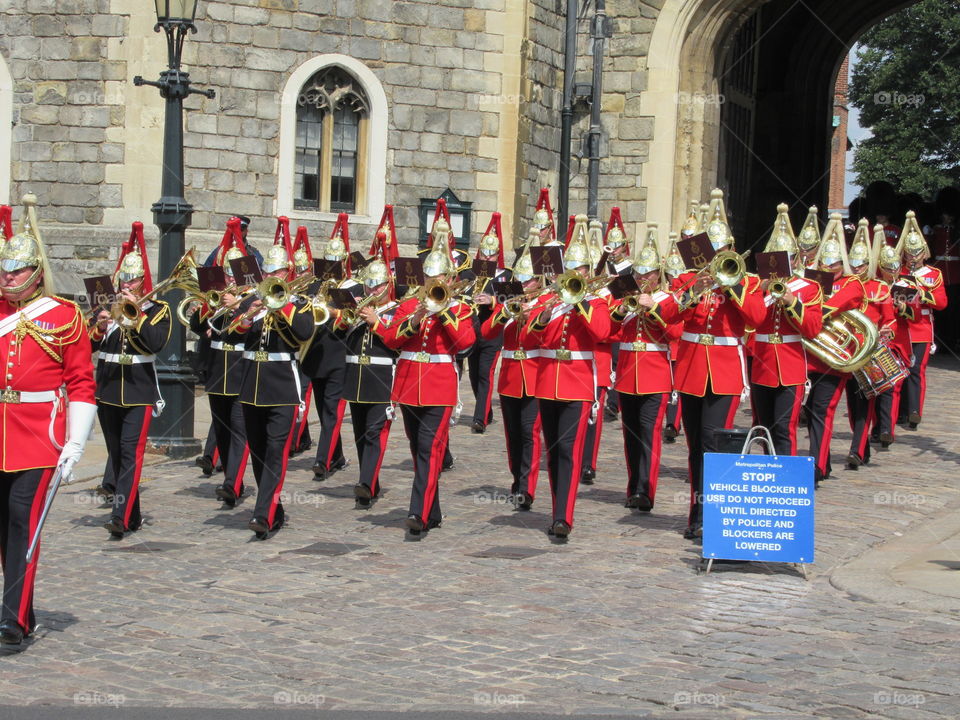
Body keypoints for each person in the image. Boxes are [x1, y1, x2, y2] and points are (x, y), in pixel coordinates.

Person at [0, 195, 97, 646]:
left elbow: (80, 384)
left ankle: (13, 622)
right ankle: (21, 607)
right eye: (4, 270)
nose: (8, 277)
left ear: (36, 273)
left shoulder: (63, 316)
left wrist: (75, 443)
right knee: (4, 529)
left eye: (16, 271)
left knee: (24, 522)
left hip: (40, 437)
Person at [650, 190, 765, 539]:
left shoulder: (747, 281)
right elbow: (665, 314)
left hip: (725, 370)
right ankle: (696, 515)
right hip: (691, 370)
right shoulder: (688, 279)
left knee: (717, 445)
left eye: (722, 253)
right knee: (696, 447)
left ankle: (717, 516)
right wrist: (694, 290)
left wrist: (732, 288)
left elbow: (756, 317)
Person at [376, 220, 475, 535]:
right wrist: (416, 318)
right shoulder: (409, 305)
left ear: (449, 279)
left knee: (430, 449)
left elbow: (464, 344)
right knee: (417, 448)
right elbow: (391, 340)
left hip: (439, 385)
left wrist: (443, 311)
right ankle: (432, 512)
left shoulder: (460, 309)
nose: (432, 282)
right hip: (408, 384)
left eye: (438, 278)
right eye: (429, 277)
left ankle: (417, 513)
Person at [523, 216, 611, 540]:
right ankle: (558, 504)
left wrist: (581, 302)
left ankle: (564, 516)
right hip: (548, 382)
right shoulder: (548, 300)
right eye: (568, 270)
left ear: (588, 273)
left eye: (580, 270)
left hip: (577, 383)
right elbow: (530, 338)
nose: (573, 276)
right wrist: (545, 315)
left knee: (570, 451)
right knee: (554, 449)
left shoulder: (596, 301)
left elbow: (602, 332)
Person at [226, 244, 315, 539]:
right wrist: (249, 315)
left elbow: (303, 332)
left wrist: (282, 305)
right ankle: (274, 510)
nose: (270, 276)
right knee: (259, 453)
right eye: (267, 271)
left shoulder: (299, 303)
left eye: (276, 271)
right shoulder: (251, 300)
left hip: (282, 387)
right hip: (251, 385)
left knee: (276, 453)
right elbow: (232, 333)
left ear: (287, 273)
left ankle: (262, 514)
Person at [90, 226, 171, 539]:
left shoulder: (157, 310)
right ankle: (132, 514)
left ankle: (120, 517)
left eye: (134, 279)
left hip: (138, 389)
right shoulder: (106, 306)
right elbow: (87, 346)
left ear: (143, 281)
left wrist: (134, 317)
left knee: (130, 453)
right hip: (108, 388)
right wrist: (99, 326)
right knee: (117, 454)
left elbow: (154, 343)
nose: (127, 284)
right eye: (124, 278)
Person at [749, 204, 822, 457]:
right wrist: (762, 291)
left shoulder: (809, 288)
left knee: (784, 427)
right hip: (762, 361)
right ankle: (769, 473)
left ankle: (785, 478)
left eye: (785, 258)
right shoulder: (757, 287)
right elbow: (748, 324)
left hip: (790, 364)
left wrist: (793, 302)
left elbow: (813, 328)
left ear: (794, 260)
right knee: (763, 427)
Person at [609, 241, 676, 512]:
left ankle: (646, 490)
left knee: (650, 434)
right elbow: (608, 331)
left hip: (654, 376)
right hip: (627, 375)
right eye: (639, 274)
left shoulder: (667, 301)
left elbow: (673, 334)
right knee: (631, 435)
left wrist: (652, 309)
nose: (642, 279)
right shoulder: (625, 299)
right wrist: (624, 309)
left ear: (658, 275)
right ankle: (633, 485)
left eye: (648, 274)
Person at [480, 240, 544, 510]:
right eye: (520, 281)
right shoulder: (508, 303)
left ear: (538, 283)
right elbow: (486, 333)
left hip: (533, 376)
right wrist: (503, 312)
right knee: (513, 434)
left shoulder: (544, 304)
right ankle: (517, 479)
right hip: (509, 378)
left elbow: (540, 336)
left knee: (530, 432)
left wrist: (530, 315)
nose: (523, 286)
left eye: (528, 281)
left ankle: (527, 489)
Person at [803, 214, 865, 487]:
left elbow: (830, 308)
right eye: (825, 263)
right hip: (807, 357)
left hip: (833, 358)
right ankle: (823, 460)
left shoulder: (853, 283)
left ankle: (816, 465)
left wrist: (811, 304)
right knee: (808, 411)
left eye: (835, 264)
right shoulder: (812, 280)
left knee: (822, 410)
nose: (830, 268)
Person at [334, 258, 399, 507]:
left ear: (387, 285)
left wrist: (376, 321)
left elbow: (396, 341)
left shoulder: (395, 311)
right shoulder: (358, 309)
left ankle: (366, 483)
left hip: (381, 380)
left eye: (377, 286)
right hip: (355, 379)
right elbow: (337, 334)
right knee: (360, 434)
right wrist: (345, 320)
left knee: (374, 433)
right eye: (369, 286)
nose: (372, 291)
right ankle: (371, 481)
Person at [301, 217, 351, 479]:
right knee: (323, 411)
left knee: (332, 411)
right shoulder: (312, 286)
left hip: (339, 358)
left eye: (336, 261)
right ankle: (338, 455)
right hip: (315, 356)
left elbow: (352, 319)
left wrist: (334, 312)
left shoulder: (350, 288)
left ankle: (323, 461)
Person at [896, 211, 947, 430]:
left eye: (916, 252)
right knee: (900, 370)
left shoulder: (933, 274)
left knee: (917, 370)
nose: (913, 257)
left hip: (922, 327)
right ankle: (899, 412)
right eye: (909, 253)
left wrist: (923, 294)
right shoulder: (897, 272)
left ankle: (914, 411)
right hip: (901, 326)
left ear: (923, 252)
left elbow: (942, 302)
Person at [466, 215, 507, 434]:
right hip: (473, 330)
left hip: (493, 332)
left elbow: (513, 302)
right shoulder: (470, 274)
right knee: (473, 375)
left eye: (492, 255)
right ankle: (486, 410)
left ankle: (479, 418)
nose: (488, 258)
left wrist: (491, 300)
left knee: (485, 373)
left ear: (498, 255)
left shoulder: (505, 276)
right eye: (484, 253)